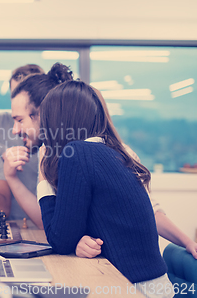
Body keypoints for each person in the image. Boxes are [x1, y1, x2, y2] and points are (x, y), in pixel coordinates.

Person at [37, 80, 173, 297]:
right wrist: (77, 241)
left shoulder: (78, 152)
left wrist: (43, 178)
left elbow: (59, 240)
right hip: (151, 285)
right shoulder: (112, 151)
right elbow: (78, 227)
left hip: (136, 289)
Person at [75, 89, 197, 260]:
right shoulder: (68, 159)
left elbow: (150, 211)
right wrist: (76, 242)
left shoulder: (124, 155)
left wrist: (188, 242)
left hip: (124, 267)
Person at [3, 63, 74, 229]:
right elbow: (48, 222)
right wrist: (11, 177)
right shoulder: (47, 151)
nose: (14, 131)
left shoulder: (69, 154)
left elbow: (55, 229)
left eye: (20, 120)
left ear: (42, 113)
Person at [0, 64, 45, 222]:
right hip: (9, 218)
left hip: (38, 217)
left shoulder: (50, 149)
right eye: (14, 93)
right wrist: (3, 151)